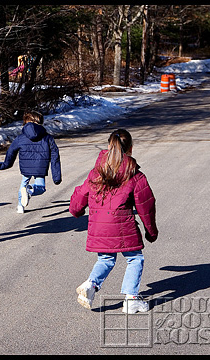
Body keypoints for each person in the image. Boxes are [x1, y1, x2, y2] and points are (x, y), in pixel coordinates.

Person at [69, 129, 158, 312]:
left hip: (99, 228)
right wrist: (151, 231)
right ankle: (131, 299)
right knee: (135, 259)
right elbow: (146, 206)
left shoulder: (96, 172)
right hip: (123, 226)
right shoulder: (135, 175)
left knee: (106, 259)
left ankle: (90, 286)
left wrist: (75, 210)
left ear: (109, 147)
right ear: (131, 149)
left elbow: (81, 193)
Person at [0, 111, 61, 213]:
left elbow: (11, 152)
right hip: (40, 167)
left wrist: (4, 165)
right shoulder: (47, 137)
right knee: (40, 188)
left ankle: (20, 206)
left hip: (25, 168)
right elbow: (55, 156)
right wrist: (56, 176)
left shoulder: (20, 137)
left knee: (23, 183)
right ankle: (30, 190)